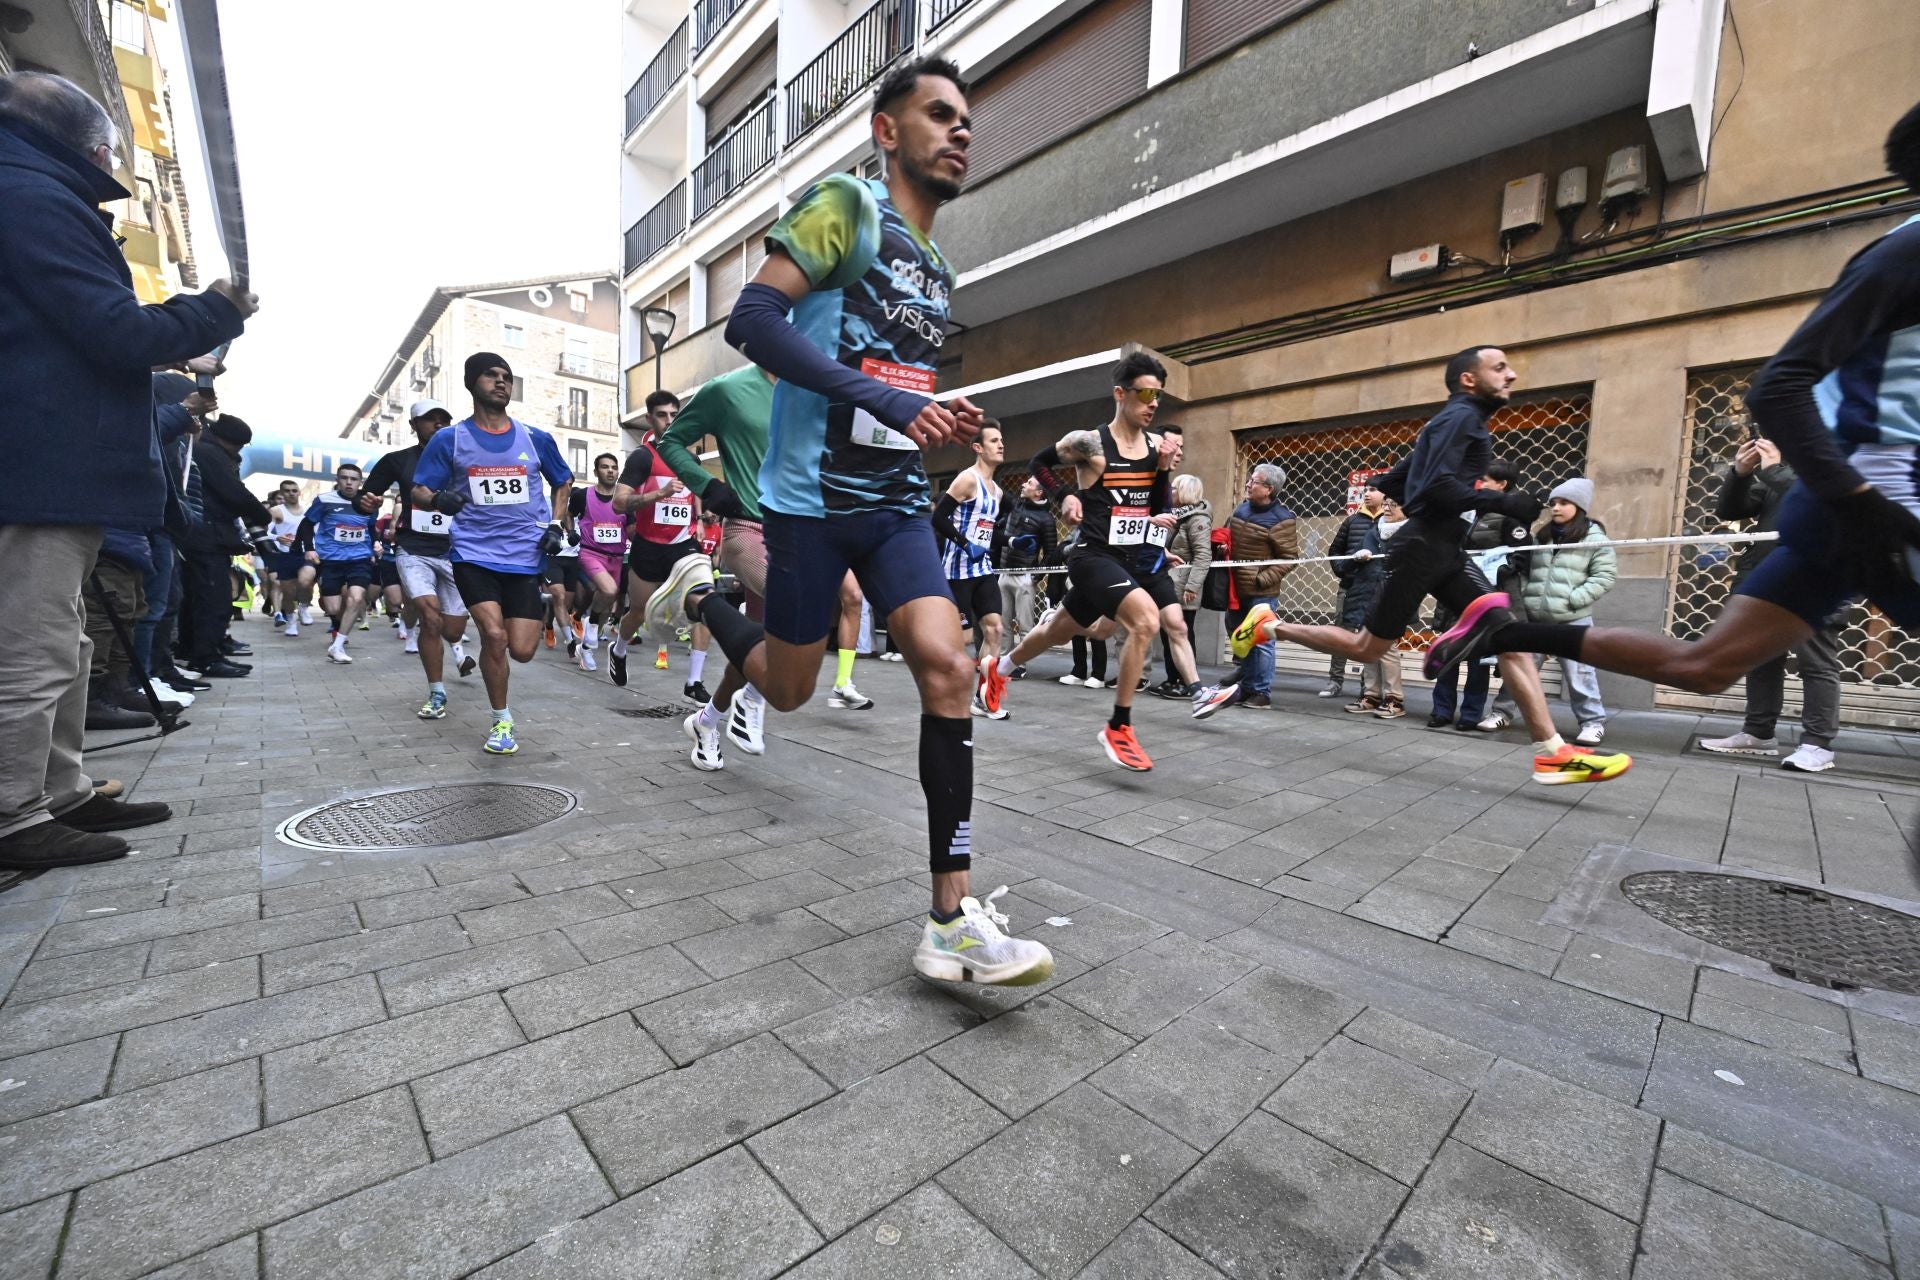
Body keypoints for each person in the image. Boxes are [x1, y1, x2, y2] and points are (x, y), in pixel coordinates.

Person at [654, 57, 1053, 985]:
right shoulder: (847, 207)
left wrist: (932, 413)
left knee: (950, 667)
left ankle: (949, 919)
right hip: (809, 505)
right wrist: (885, 396)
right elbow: (754, 322)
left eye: (968, 121)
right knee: (788, 690)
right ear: (887, 131)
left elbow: (894, 386)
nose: (961, 131)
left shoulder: (941, 266)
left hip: (896, 502)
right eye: (939, 115)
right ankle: (707, 596)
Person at [0, 71, 255, 869]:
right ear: (95, 148)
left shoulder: (31, 191)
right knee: (33, 649)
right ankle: (13, 817)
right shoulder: (34, 198)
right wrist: (214, 308)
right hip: (37, 468)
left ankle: (60, 791)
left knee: (66, 645)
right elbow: (112, 333)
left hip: (56, 469)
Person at [1241, 347, 1632, 784]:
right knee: (1366, 647)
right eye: (1500, 368)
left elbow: (1393, 481)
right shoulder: (1459, 419)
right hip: (1423, 548)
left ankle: (1552, 754)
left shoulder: (1451, 423)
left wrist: (1443, 492)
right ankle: (1267, 625)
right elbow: (1434, 487)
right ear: (1469, 379)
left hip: (1446, 549)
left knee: (1509, 640)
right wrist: (1500, 501)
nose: (1513, 375)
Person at [1000, 353, 1240, 772]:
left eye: (1158, 396)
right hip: (1093, 557)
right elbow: (1039, 462)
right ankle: (1119, 725)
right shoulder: (1089, 443)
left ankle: (997, 668)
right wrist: (1065, 496)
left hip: (1134, 561)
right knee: (1147, 621)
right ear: (1120, 394)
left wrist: (1163, 472)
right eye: (1145, 393)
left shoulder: (1154, 448)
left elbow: (1156, 506)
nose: (1152, 403)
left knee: (1058, 632)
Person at [411, 352, 572, 754]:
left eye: (506, 377)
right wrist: (438, 500)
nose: (501, 382)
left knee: (522, 649)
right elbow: (419, 489)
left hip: (525, 555)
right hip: (473, 553)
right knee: (495, 635)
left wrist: (554, 525)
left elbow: (563, 482)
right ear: (472, 383)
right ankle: (502, 721)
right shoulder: (450, 439)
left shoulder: (535, 438)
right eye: (491, 375)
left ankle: (494, 653)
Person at [1698, 436, 1844, 771]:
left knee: (1816, 662)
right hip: (1769, 578)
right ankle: (1758, 733)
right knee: (1761, 659)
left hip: (1819, 576)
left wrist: (1774, 469)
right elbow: (1730, 510)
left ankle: (1817, 745)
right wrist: (1740, 472)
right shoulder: (1782, 470)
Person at [652, 364, 776, 751]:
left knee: (755, 648)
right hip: (748, 527)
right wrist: (707, 484)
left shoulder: (815, 390)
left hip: (800, 534)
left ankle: (707, 721)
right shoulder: (728, 389)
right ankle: (699, 599)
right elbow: (670, 442)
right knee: (798, 602)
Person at [356, 399, 476, 717]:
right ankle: (437, 693)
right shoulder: (397, 460)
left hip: (457, 551)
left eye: (443, 419)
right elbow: (365, 496)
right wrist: (365, 502)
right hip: (414, 549)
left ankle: (449, 645)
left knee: (452, 629)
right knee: (431, 618)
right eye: (429, 419)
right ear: (414, 426)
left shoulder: (467, 459)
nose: (438, 424)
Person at [1497, 477, 1616, 746]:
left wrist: (1574, 599)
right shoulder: (1543, 535)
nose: (1556, 508)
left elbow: (1605, 576)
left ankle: (1592, 723)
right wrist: (1527, 596)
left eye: (1564, 503)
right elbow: (1527, 570)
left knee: (1580, 673)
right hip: (1537, 619)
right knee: (1520, 667)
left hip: (1573, 618)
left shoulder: (1594, 538)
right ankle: (1501, 712)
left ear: (1579, 506)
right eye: (1553, 503)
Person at [609, 431, 713, 701]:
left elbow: (695, 488)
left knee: (704, 604)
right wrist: (661, 493)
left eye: (674, 416)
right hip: (649, 544)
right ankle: (619, 649)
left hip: (683, 543)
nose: (669, 422)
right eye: (663, 415)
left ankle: (694, 681)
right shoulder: (643, 457)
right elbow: (620, 502)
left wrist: (700, 518)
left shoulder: (691, 459)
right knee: (639, 612)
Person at [1427, 460, 1530, 730]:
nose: (1478, 484)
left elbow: (1521, 559)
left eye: (1483, 480)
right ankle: (1441, 711)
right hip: (1455, 596)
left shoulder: (1511, 516)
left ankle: (1471, 714)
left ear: (1501, 485)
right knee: (1448, 655)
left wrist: (1498, 569)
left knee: (1477, 661)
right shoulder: (1467, 512)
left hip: (1485, 598)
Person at [181, 415, 272, 678]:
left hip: (206, 535)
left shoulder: (206, 451)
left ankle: (202, 650)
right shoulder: (210, 454)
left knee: (204, 598)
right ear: (231, 442)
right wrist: (261, 515)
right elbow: (234, 493)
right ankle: (205, 656)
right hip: (207, 536)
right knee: (213, 599)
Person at [935, 420, 1009, 718]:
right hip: (957, 571)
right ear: (978, 448)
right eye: (994, 441)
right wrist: (965, 545)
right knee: (962, 639)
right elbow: (938, 518)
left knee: (995, 629)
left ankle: (982, 698)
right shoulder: (967, 480)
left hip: (983, 570)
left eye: (1001, 440)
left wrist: (1013, 540)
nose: (1001, 445)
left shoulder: (998, 492)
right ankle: (940, 687)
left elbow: (989, 534)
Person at [1222, 463, 1299, 710]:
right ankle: (1246, 686)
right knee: (1241, 638)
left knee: (1263, 642)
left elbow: (1290, 559)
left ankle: (1261, 692)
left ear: (1268, 489)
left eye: (1254, 481)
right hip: (1236, 589)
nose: (1247, 484)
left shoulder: (1282, 519)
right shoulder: (1241, 509)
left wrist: (1261, 579)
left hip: (1261, 593)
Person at [296, 462, 376, 665]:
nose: (349, 482)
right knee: (333, 608)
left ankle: (337, 645)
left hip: (359, 558)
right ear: (338, 480)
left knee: (356, 598)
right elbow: (306, 524)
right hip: (330, 560)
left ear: (360, 482)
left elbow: (372, 527)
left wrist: (376, 545)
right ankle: (338, 626)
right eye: (344, 478)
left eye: (353, 479)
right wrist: (309, 548)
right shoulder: (324, 500)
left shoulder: (369, 502)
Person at [1323, 484, 1385, 699]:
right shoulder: (1352, 520)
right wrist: (1343, 570)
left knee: (1372, 637)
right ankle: (1335, 681)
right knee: (1342, 634)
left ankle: (1368, 688)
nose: (1367, 493)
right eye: (1366, 489)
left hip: (1376, 590)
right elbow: (1335, 551)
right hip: (1350, 587)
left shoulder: (1390, 523)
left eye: (1373, 490)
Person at [1154, 473, 1212, 698]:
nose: (1171, 493)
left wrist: (1192, 587)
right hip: (1169, 583)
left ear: (1186, 492)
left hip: (1184, 587)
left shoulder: (1198, 519)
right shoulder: (1173, 515)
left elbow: (1203, 556)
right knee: (1168, 635)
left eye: (1175, 489)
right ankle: (1172, 679)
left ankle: (1187, 683)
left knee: (1183, 635)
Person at [570, 453, 626, 676]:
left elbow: (631, 528)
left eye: (614, 467)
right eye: (605, 467)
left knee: (606, 606)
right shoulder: (583, 495)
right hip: (591, 553)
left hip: (617, 558)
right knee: (608, 590)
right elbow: (568, 514)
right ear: (596, 472)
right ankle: (590, 629)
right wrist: (570, 531)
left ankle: (584, 648)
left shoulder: (624, 500)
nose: (610, 471)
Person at [998, 476, 1058, 666]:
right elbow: (996, 492)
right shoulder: (1015, 506)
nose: (1023, 484)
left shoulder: (1046, 519)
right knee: (1002, 624)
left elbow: (1050, 553)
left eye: (1029, 483)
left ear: (1039, 492)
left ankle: (1019, 664)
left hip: (1025, 576)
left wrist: (1035, 577)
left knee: (1025, 626)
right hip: (1004, 573)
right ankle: (1003, 662)